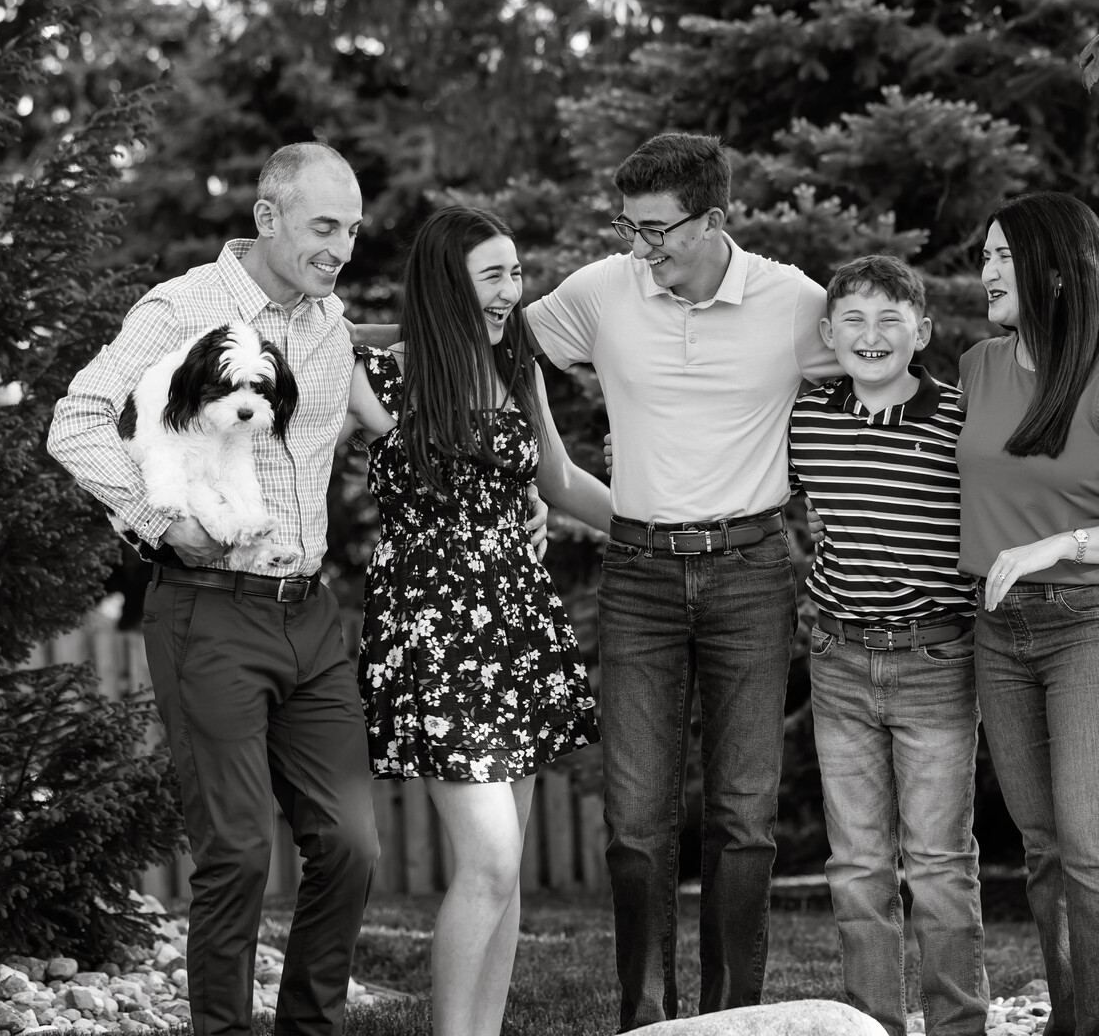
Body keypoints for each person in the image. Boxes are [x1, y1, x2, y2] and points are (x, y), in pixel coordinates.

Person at [48, 143, 379, 1036]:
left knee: (350, 847)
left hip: (311, 617)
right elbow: (76, 421)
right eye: (324, 227)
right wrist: (160, 523)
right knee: (235, 852)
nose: (341, 248)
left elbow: (389, 378)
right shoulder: (182, 307)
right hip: (211, 613)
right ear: (267, 217)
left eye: (352, 230)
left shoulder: (328, 323)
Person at [522, 132, 840, 1029]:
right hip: (639, 574)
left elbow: (876, 373)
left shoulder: (793, 302)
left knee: (743, 818)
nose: (639, 247)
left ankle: (731, 1020)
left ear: (714, 219)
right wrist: (538, 465)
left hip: (751, 571)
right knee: (635, 822)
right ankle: (646, 1021)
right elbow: (495, 347)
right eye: (628, 226)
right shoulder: (601, 290)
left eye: (656, 229)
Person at [341, 205, 608, 1036]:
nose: (512, 291)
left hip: (516, 622)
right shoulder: (379, 375)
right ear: (445, 284)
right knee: (489, 859)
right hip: (433, 630)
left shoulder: (516, 368)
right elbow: (301, 331)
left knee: (507, 867)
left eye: (515, 273)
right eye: (492, 275)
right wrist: (403, 326)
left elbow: (561, 481)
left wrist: (659, 529)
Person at [954, 192, 1099, 1036]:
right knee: (1046, 844)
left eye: (1003, 257)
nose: (986, 273)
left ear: (1055, 271)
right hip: (1001, 626)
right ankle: (1075, 1020)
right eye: (984, 257)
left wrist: (1062, 544)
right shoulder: (978, 366)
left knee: (1090, 841)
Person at [788, 255, 988, 1036]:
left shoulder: (961, 419)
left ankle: (958, 1026)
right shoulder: (808, 420)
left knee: (938, 863)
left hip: (936, 659)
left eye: (889, 321)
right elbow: (734, 471)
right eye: (853, 320)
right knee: (857, 865)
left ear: (922, 332)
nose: (870, 336)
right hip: (838, 659)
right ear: (828, 333)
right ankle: (872, 1024)